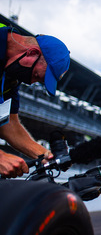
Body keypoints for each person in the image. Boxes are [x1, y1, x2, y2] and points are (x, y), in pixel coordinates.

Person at [0, 24, 70, 178]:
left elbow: (8, 125)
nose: (32, 83)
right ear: (32, 53)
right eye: (37, 76)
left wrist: (45, 154)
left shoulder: (10, 77)